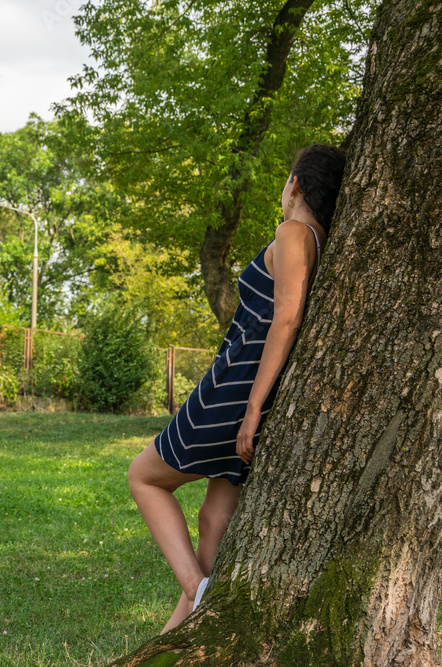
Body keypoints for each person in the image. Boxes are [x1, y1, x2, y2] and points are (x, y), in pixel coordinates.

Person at [127, 144, 347, 632]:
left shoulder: (293, 231)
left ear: (295, 185)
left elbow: (285, 318)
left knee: (144, 477)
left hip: (235, 386)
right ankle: (174, 641)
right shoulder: (322, 241)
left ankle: (196, 590)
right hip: (253, 391)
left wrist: (251, 409)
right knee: (212, 524)